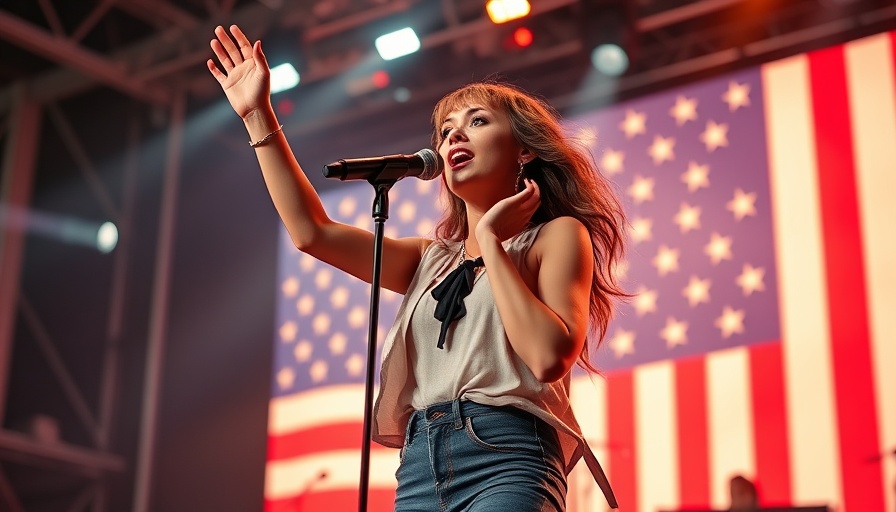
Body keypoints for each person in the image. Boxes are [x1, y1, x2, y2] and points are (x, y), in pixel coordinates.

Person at [208, 24, 626, 511]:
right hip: (420, 467)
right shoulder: (431, 259)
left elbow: (547, 356)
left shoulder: (554, 236)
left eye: (476, 122)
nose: (453, 136)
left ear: (524, 150)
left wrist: (490, 241)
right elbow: (311, 233)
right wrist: (259, 116)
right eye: (446, 130)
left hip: (509, 455)